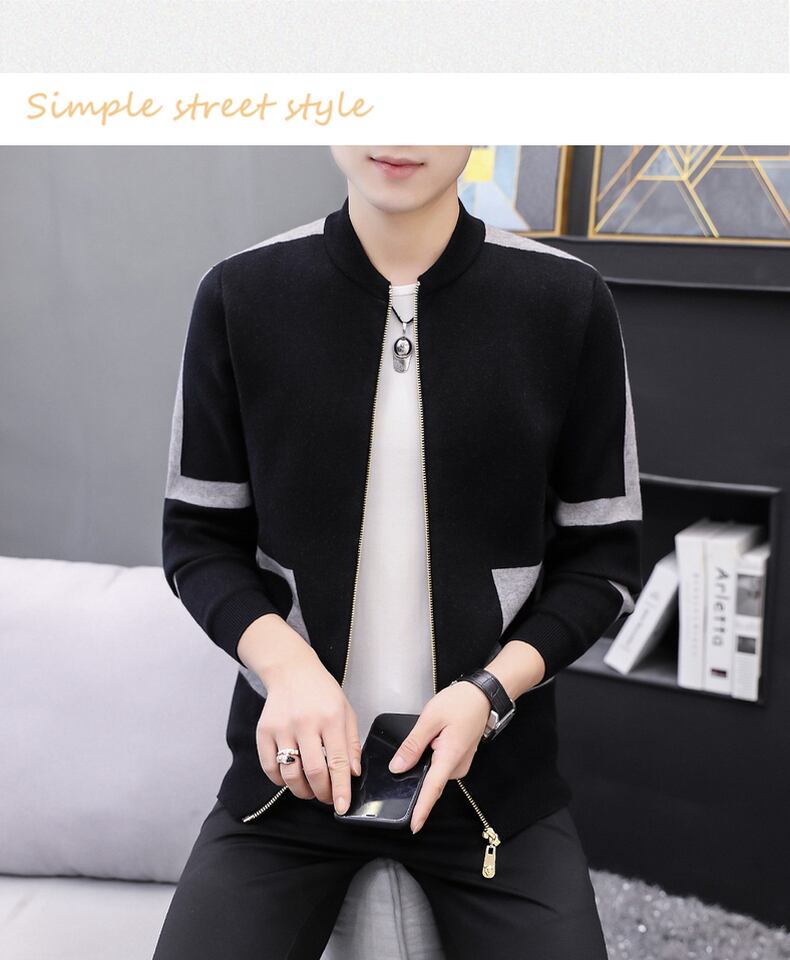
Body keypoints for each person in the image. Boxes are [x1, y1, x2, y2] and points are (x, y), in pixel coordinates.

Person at [153, 145, 643, 959]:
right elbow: (198, 538)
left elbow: (604, 560)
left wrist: (490, 693)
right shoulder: (242, 294)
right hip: (288, 786)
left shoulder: (565, 300)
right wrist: (289, 668)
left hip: (494, 794)